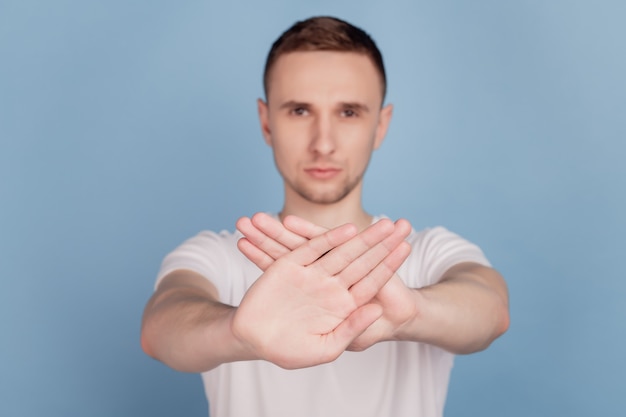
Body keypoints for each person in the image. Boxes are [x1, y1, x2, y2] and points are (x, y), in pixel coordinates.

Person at [141, 16, 509, 417]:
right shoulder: (218, 256)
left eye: (349, 112)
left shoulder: (425, 253)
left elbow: (490, 309)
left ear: (380, 126)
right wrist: (235, 333)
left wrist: (412, 313)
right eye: (299, 111)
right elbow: (162, 328)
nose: (324, 143)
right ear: (266, 122)